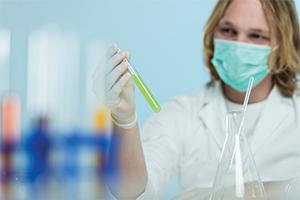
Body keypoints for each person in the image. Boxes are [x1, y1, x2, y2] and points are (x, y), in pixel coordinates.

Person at [93, 0, 300, 199]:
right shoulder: (182, 112)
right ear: (212, 35)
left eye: (256, 35)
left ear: (282, 46)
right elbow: (132, 192)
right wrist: (124, 118)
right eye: (228, 30)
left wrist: (242, 192)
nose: (238, 44)